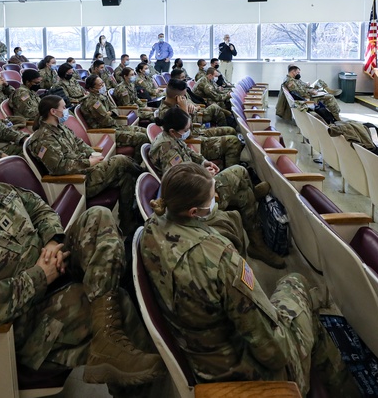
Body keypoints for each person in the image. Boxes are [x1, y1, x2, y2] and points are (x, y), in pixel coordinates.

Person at [0, 146, 165, 389]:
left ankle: (106, 333)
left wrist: (52, 239)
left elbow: (40, 208)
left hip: (53, 264)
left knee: (98, 216)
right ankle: (129, 372)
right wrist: (39, 277)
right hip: (26, 315)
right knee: (121, 303)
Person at [141, 163, 357, 397]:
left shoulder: (152, 227)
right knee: (296, 285)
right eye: (212, 196)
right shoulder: (220, 260)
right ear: (194, 212)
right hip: (243, 374)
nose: (216, 198)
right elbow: (274, 352)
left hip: (201, 352)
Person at [149, 109, 282, 268]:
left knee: (243, 194)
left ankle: (256, 242)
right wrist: (205, 175)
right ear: (173, 131)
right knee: (240, 172)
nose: (188, 133)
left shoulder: (172, 138)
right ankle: (257, 241)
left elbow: (189, 154)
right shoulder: (166, 149)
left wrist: (204, 162)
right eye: (185, 130)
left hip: (196, 183)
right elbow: (181, 185)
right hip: (193, 199)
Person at [29, 95, 145, 235]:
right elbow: (59, 167)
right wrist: (88, 162)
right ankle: (143, 175)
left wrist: (92, 154)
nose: (66, 111)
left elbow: (79, 144)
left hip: (87, 170)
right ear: (53, 111)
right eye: (63, 107)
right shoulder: (43, 138)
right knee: (120, 160)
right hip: (78, 181)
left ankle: (128, 222)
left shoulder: (61, 128)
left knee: (125, 176)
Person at [77, 76, 150, 149]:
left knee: (146, 131)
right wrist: (109, 114)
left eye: (103, 83)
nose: (103, 86)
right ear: (91, 88)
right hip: (105, 132)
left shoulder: (101, 96)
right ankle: (137, 159)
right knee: (141, 137)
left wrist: (110, 113)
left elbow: (114, 108)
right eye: (100, 85)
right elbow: (105, 121)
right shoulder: (92, 102)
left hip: (113, 126)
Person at [158, 78, 234, 133]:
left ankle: (229, 119)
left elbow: (192, 109)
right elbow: (187, 131)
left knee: (228, 128)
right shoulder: (167, 113)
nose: (185, 98)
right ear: (176, 97)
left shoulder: (177, 103)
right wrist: (185, 110)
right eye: (183, 96)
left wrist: (191, 106)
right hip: (195, 135)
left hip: (198, 124)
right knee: (230, 133)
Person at [276, 65, 341, 121]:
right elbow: (298, 93)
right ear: (293, 72)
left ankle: (333, 116)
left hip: (308, 93)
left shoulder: (292, 79)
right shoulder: (290, 81)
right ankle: (336, 117)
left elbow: (299, 88)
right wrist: (311, 91)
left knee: (321, 86)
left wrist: (307, 86)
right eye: (298, 72)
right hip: (307, 98)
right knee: (330, 97)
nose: (299, 74)